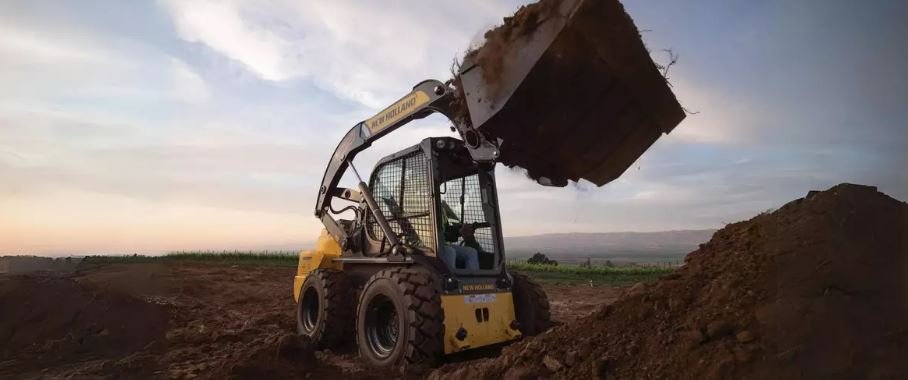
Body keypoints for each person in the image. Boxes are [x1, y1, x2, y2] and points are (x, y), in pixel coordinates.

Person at [440, 200, 480, 270]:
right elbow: (438, 235)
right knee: (450, 251)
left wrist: (461, 230)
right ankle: (452, 280)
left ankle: (472, 280)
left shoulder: (441, 209)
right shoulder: (426, 209)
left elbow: (447, 229)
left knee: (471, 252)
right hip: (432, 247)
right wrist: (458, 232)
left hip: (445, 244)